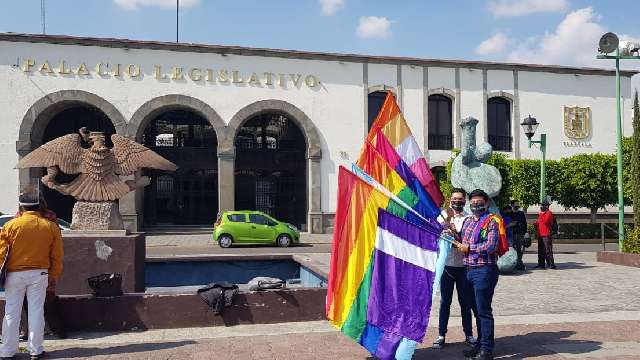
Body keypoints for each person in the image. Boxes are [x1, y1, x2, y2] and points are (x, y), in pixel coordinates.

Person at [0, 191, 64, 360]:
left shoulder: (10, 226)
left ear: (22, 206)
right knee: (36, 311)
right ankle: (36, 351)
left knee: (11, 312)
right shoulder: (50, 226)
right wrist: (54, 276)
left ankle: (7, 352)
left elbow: (1, 254)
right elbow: (57, 255)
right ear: (39, 205)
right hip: (39, 273)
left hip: (14, 274)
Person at [456, 189, 500, 360]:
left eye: (479, 202)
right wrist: (452, 237)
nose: (475, 205)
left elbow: (491, 246)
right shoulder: (468, 222)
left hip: (484, 271)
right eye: (472, 202)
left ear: (486, 203)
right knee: (475, 310)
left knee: (483, 310)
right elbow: (462, 242)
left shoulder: (491, 221)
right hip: (468, 271)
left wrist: (470, 248)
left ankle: (487, 349)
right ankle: (480, 344)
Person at [432, 188, 476, 349]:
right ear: (450, 200)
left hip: (464, 267)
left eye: (460, 199)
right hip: (447, 267)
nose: (457, 201)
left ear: (464, 201)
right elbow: (433, 236)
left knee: (466, 303)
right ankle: (441, 334)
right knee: (445, 302)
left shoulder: (470, 218)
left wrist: (455, 236)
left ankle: (469, 334)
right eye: (455, 199)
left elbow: (470, 239)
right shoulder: (442, 216)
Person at [534, 200, 556, 269]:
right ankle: (541, 264)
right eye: (542, 205)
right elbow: (539, 222)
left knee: (548, 250)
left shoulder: (549, 213)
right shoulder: (541, 214)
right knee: (540, 250)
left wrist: (542, 214)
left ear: (547, 206)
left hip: (546, 234)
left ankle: (551, 264)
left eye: (543, 205)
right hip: (540, 234)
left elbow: (546, 221)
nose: (542, 206)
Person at [510, 200, 528, 270]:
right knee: (513, 249)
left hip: (520, 233)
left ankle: (519, 262)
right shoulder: (510, 213)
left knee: (520, 249)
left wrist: (525, 232)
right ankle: (514, 263)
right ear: (512, 205)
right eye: (516, 204)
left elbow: (525, 223)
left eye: (518, 204)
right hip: (513, 234)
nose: (517, 206)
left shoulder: (521, 213)